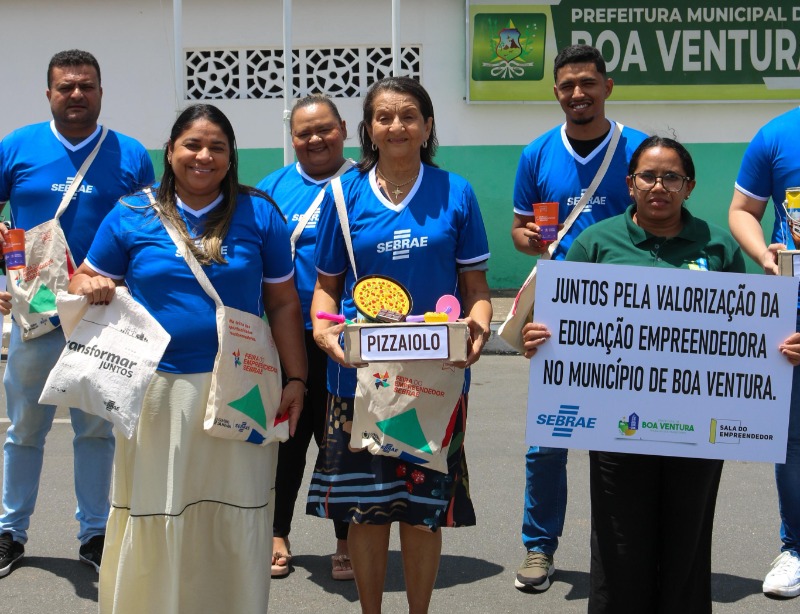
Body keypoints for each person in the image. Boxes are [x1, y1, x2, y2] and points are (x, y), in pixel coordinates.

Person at [67, 103, 307, 613]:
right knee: (158, 509)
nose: (204, 156)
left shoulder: (260, 212)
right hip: (156, 392)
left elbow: (284, 303)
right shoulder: (132, 212)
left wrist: (297, 378)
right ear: (170, 151)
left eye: (217, 147)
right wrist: (90, 284)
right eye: (192, 145)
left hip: (242, 389)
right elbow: (82, 277)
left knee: (237, 507)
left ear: (231, 157)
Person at [525, 136, 745, 612]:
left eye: (672, 177)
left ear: (689, 186)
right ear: (630, 184)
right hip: (616, 426)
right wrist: (540, 339)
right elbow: (562, 322)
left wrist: (780, 350)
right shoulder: (596, 243)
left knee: (687, 540)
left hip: (696, 426)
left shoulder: (718, 246)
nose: (659, 187)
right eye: (648, 176)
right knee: (619, 543)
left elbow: (746, 331)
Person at [307, 76, 492, 614]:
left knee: (421, 512)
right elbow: (326, 288)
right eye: (384, 117)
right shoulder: (340, 195)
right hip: (358, 381)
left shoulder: (456, 193)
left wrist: (477, 328)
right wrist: (322, 329)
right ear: (368, 129)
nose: (397, 126)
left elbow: (476, 290)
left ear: (427, 126)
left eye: (409, 115)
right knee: (365, 511)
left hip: (434, 381)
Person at [0, 49, 154, 578]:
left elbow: (148, 232)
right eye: (65, 86)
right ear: (48, 93)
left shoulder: (130, 155)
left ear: (100, 92)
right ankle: (10, 531)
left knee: (95, 431)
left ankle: (94, 534)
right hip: (35, 317)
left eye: (86, 85)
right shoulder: (16, 147)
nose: (76, 94)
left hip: (101, 316)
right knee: (25, 430)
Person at [509, 44, 647, 591]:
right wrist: (532, 239)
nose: (578, 93)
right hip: (559, 311)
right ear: (556, 92)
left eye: (588, 83)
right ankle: (538, 547)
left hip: (630, 311)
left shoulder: (638, 149)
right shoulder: (537, 153)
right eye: (567, 85)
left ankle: (631, 551)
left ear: (607, 87)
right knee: (549, 439)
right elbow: (519, 231)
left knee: (630, 436)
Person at [256, 94, 356, 580]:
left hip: (345, 337)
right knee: (286, 439)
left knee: (343, 440)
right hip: (285, 337)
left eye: (324, 129)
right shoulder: (271, 189)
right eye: (303, 132)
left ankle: (347, 539)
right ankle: (277, 532)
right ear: (292, 138)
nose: (315, 139)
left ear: (344, 129)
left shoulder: (364, 184)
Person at [729, 106, 800, 598]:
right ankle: (795, 547)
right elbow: (742, 210)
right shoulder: (776, 136)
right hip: (791, 310)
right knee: (792, 440)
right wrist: (763, 255)